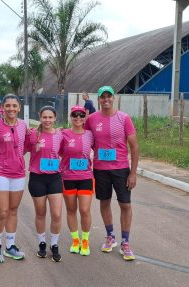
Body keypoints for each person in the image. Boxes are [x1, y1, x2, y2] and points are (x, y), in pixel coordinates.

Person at [84, 86, 138, 261]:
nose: (105, 99)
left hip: (121, 168)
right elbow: (84, 139)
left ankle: (125, 242)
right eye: (102, 97)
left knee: (125, 205)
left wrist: (133, 173)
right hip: (100, 169)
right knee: (104, 202)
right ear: (98, 99)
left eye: (108, 96)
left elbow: (134, 147)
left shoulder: (124, 118)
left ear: (113, 98)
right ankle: (110, 236)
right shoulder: (91, 119)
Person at [0, 94, 27, 263]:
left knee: (13, 210)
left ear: (19, 108)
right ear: (2, 107)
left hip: (18, 173)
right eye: (8, 105)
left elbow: (26, 146)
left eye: (14, 105)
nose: (11, 109)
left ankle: (10, 246)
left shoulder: (24, 126)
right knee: (2, 211)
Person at [25, 106, 63, 262]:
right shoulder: (33, 134)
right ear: (40, 118)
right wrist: (35, 147)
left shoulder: (60, 135)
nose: (47, 120)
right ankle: (41, 243)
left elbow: (67, 151)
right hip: (37, 178)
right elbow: (22, 149)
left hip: (54, 178)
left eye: (50, 117)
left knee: (57, 214)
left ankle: (54, 244)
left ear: (55, 118)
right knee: (41, 213)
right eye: (44, 117)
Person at [59, 105, 94, 256]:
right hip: (68, 177)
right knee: (71, 210)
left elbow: (104, 145)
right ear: (71, 117)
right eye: (75, 115)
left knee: (85, 210)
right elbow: (52, 145)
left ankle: (85, 240)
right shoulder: (63, 134)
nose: (78, 118)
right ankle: (75, 240)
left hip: (86, 177)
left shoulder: (91, 135)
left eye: (81, 115)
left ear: (85, 116)